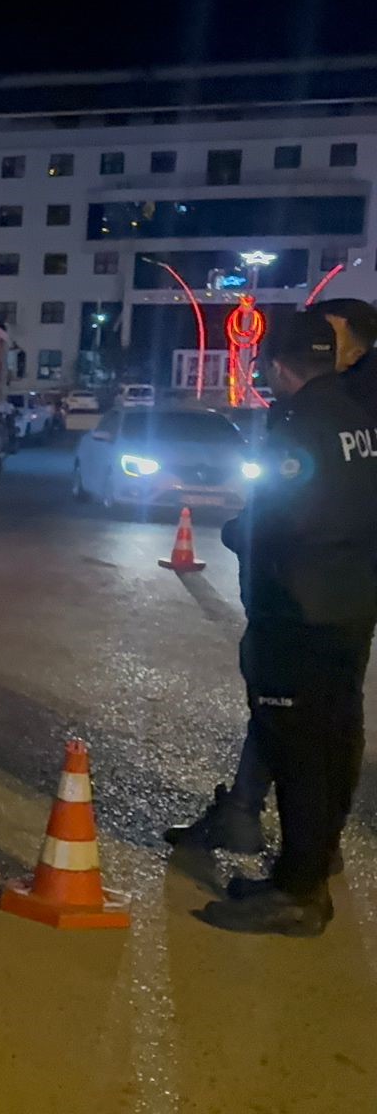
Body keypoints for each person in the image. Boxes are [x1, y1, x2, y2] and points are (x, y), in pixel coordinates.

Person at [164, 296, 377, 856]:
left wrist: (244, 532)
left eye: (331, 336)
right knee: (290, 716)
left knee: (314, 729)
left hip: (309, 599)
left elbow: (297, 514)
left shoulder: (338, 405)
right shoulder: (337, 405)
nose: (323, 346)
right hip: (329, 593)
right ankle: (250, 817)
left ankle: (308, 859)